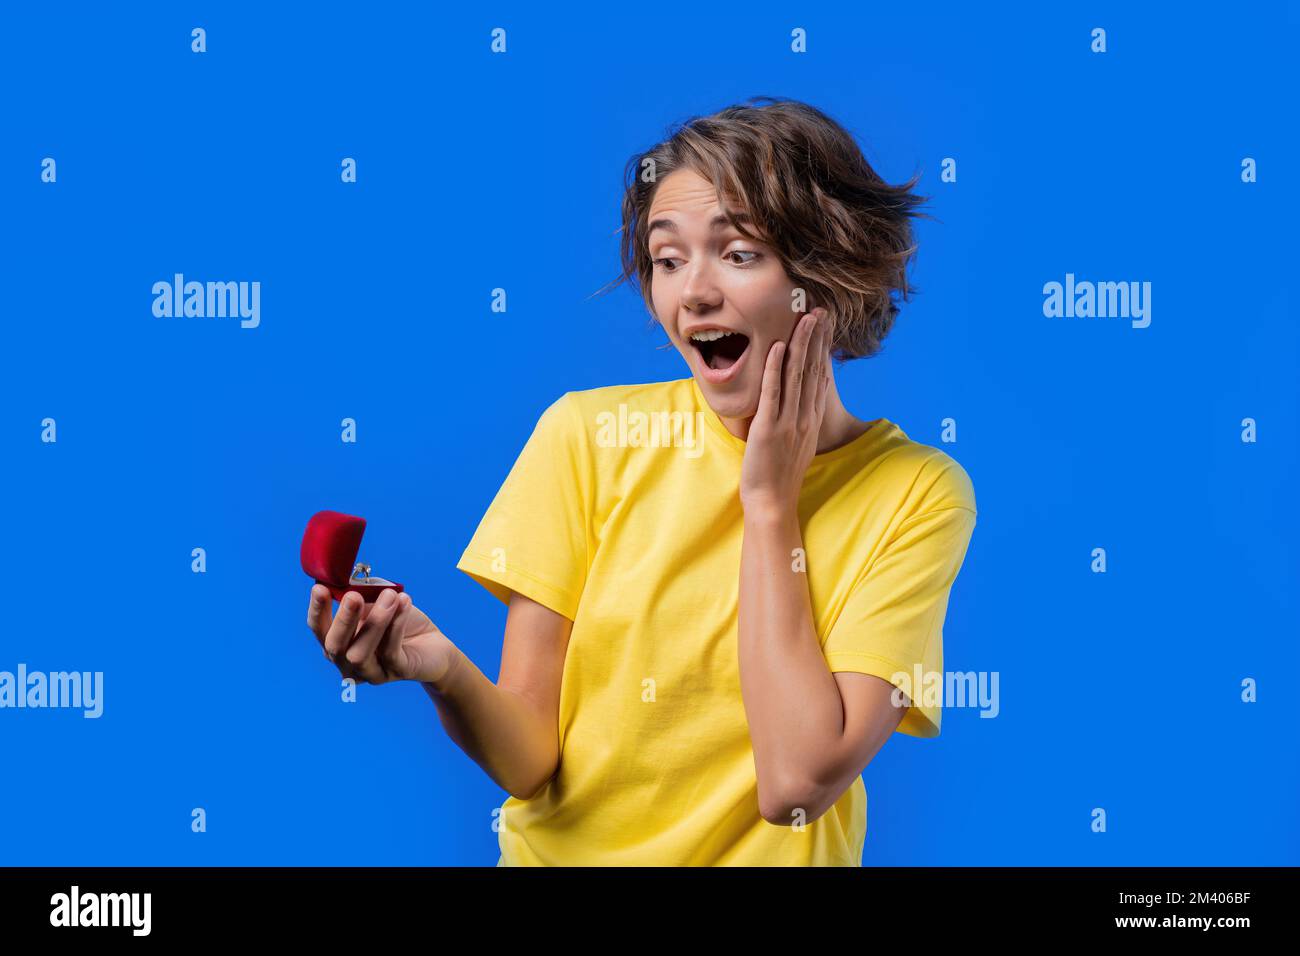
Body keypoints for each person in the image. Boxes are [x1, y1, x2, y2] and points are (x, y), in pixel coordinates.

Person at [306, 97, 977, 866]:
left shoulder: (917, 493)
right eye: (667, 259)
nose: (692, 293)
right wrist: (442, 669)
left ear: (828, 275)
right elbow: (532, 762)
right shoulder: (585, 437)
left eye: (738, 252)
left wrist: (769, 504)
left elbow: (794, 785)